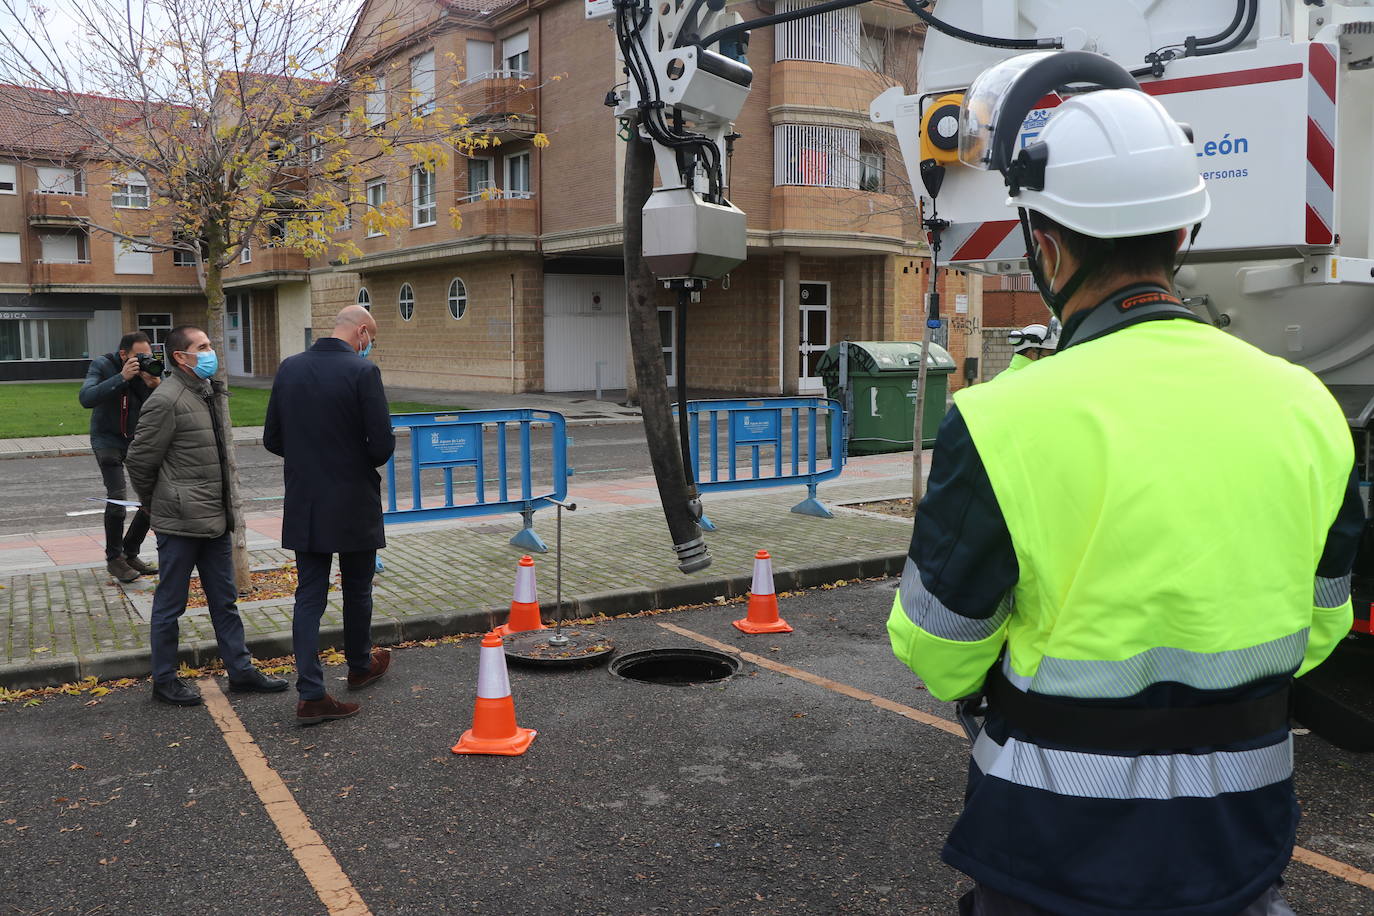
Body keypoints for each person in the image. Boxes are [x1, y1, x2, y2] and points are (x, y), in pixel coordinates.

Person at [887, 55, 1361, 916]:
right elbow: (1322, 629)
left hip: (1049, 852)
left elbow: (937, 647)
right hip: (1239, 846)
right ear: (1184, 236)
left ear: (1048, 244)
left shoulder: (1002, 421)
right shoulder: (1307, 406)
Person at [126, 325, 287, 706]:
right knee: (170, 604)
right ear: (181, 357)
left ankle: (241, 671)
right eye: (203, 347)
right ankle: (164, 681)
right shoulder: (166, 399)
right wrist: (156, 502)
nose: (212, 351)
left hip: (214, 518)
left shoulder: (206, 392)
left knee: (224, 599)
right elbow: (139, 461)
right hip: (180, 522)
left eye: (210, 345)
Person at [264, 305, 395, 725]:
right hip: (354, 497)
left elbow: (272, 438)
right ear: (360, 332)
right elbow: (381, 446)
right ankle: (359, 666)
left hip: (305, 499)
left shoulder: (289, 368)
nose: (369, 345)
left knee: (309, 594)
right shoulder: (362, 372)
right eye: (370, 338)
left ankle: (312, 692)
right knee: (357, 589)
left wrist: (310, 460)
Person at [79, 331, 161, 583]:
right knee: (117, 499)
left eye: (147, 355)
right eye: (139, 356)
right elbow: (86, 398)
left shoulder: (148, 371)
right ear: (124, 354)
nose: (144, 360)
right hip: (107, 440)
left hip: (136, 440)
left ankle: (129, 552)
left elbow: (159, 405)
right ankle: (114, 560)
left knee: (153, 498)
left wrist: (155, 386)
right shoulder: (103, 365)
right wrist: (121, 377)